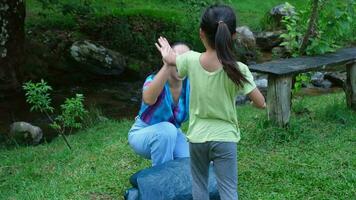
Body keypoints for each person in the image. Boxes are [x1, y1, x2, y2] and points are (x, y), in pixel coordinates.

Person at [155, 5, 266, 200]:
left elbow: (172, 59)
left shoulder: (190, 59)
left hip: (197, 138)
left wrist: (166, 54)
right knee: (228, 190)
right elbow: (260, 102)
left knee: (199, 186)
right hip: (225, 138)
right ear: (232, 36)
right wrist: (257, 104)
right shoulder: (238, 69)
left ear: (201, 34)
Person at [128, 43, 191, 167]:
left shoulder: (190, 85)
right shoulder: (153, 80)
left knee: (191, 162)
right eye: (176, 58)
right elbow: (148, 99)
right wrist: (168, 64)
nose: (181, 63)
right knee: (167, 130)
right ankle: (161, 178)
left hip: (173, 133)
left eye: (186, 59)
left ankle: (172, 173)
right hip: (144, 133)